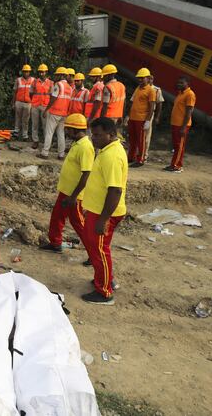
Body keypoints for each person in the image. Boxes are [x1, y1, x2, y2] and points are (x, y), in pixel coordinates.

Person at [81, 117, 127, 305]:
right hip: (98, 210)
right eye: (92, 135)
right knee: (96, 249)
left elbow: (115, 190)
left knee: (100, 250)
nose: (94, 139)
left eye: (98, 135)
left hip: (104, 213)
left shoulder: (112, 156)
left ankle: (105, 292)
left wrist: (103, 219)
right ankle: (104, 279)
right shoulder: (107, 150)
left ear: (111, 134)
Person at [41, 114, 94, 253]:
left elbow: (86, 174)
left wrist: (73, 196)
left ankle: (94, 252)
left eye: (68, 130)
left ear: (75, 130)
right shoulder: (77, 144)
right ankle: (55, 243)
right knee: (57, 217)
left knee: (79, 224)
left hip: (74, 195)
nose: (67, 132)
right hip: (66, 191)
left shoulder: (85, 147)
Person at [125, 68, 156, 167]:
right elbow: (132, 102)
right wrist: (128, 116)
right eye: (139, 78)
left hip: (141, 119)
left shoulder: (151, 90)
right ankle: (131, 157)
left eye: (142, 78)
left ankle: (140, 159)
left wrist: (148, 121)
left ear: (148, 78)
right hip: (133, 118)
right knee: (132, 139)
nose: (140, 80)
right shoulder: (138, 88)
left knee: (141, 141)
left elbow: (152, 107)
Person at [40, 66, 73, 159]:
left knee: (49, 132)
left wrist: (46, 110)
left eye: (57, 75)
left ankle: (45, 153)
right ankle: (61, 154)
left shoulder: (58, 85)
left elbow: (53, 98)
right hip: (64, 114)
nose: (56, 77)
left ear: (61, 75)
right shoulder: (70, 88)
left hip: (55, 112)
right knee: (61, 134)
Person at [165, 76, 195, 173]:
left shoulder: (190, 94)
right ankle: (173, 164)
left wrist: (183, 127)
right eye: (178, 82)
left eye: (182, 83)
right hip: (175, 124)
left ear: (187, 84)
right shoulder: (180, 94)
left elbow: (189, 112)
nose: (179, 84)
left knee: (179, 146)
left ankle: (177, 166)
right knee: (176, 146)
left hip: (182, 125)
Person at [132, 74, 164, 154]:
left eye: (151, 79)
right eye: (149, 78)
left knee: (146, 136)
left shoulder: (156, 90)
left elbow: (159, 104)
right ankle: (136, 153)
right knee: (136, 136)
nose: (150, 80)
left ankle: (144, 154)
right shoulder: (139, 88)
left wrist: (157, 117)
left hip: (148, 114)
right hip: (137, 115)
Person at [30, 64, 52, 149]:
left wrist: (48, 107)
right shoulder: (35, 82)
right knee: (34, 124)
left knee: (45, 125)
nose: (41, 74)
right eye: (40, 72)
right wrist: (33, 101)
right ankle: (35, 141)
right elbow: (31, 93)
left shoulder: (50, 83)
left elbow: (52, 96)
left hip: (45, 106)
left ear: (46, 72)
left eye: (43, 72)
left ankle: (46, 142)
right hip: (35, 105)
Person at [11, 64, 34, 140]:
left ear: (29, 72)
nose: (26, 73)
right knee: (17, 118)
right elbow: (15, 92)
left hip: (28, 103)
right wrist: (13, 103)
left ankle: (25, 135)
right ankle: (16, 133)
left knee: (26, 120)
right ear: (22, 72)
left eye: (27, 71)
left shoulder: (33, 80)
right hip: (19, 102)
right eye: (24, 71)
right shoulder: (18, 80)